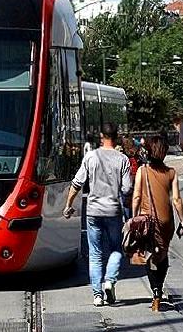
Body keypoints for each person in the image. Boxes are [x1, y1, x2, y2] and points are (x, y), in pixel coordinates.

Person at [64, 123, 132, 307]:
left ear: (102, 136)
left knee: (95, 254)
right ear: (116, 137)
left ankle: (97, 295)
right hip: (113, 211)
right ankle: (109, 281)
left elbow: (77, 183)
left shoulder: (91, 157)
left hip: (93, 211)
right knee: (116, 249)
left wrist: (68, 205)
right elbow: (127, 189)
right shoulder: (123, 159)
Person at [131, 135, 183, 312]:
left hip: (148, 220)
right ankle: (159, 289)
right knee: (162, 254)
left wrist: (134, 217)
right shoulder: (171, 173)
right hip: (166, 221)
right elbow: (176, 199)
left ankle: (155, 291)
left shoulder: (142, 170)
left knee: (149, 254)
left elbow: (137, 196)